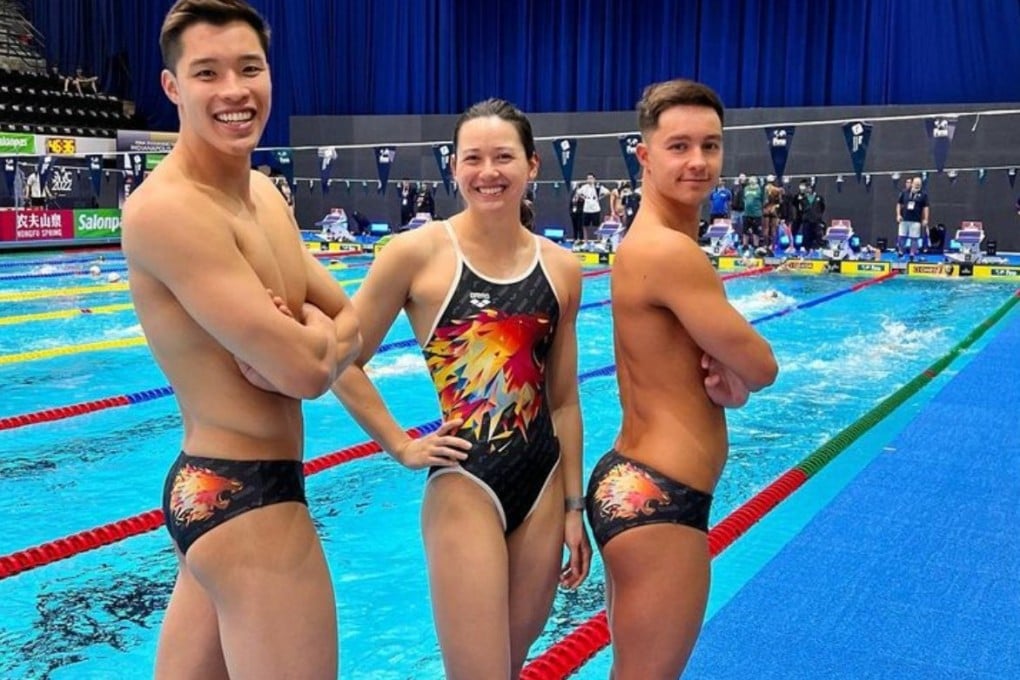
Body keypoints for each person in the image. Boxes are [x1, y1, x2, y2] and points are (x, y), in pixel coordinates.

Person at [120, 2, 361, 678]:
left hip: (213, 490)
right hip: (247, 495)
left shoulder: (262, 195)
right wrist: (314, 341)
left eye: (249, 68)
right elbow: (312, 371)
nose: (234, 90)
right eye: (207, 73)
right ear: (173, 88)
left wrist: (312, 336)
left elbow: (353, 325)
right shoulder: (170, 210)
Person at [332, 97, 591, 679]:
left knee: (511, 665)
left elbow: (565, 400)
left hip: (545, 482)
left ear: (532, 166)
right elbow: (338, 361)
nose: (487, 172)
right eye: (472, 158)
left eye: (503, 157)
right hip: (465, 483)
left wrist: (575, 508)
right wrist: (400, 444)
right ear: (454, 167)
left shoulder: (562, 269)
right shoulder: (417, 254)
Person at [585, 79, 778, 679]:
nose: (698, 161)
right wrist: (743, 377)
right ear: (643, 155)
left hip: (631, 480)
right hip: (661, 497)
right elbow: (763, 365)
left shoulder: (642, 244)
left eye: (710, 146)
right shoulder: (671, 252)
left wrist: (732, 386)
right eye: (678, 146)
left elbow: (719, 375)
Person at [896, 176, 929, 260]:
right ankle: (900, 252)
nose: (917, 185)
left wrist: (925, 219)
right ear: (912, 183)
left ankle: (912, 254)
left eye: (919, 184)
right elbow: (899, 204)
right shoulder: (904, 192)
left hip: (916, 220)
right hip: (904, 219)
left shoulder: (923, 195)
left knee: (914, 238)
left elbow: (926, 207)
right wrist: (898, 215)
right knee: (901, 237)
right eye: (916, 184)